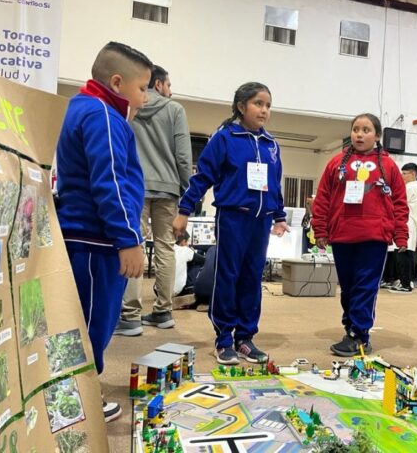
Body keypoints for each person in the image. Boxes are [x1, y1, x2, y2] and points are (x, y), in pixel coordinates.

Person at [55, 41, 152, 422]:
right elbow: (110, 182)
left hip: (89, 236)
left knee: (85, 317)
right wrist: (127, 239)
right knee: (94, 320)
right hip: (97, 240)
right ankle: (81, 395)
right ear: (117, 82)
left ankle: (77, 388)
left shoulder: (84, 106)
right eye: (143, 88)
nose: (146, 97)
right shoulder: (103, 116)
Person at [172, 82, 289, 366]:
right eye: (258, 104)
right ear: (241, 106)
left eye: (268, 105)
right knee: (229, 276)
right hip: (233, 217)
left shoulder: (271, 144)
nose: (264, 110)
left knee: (252, 278)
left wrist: (280, 215)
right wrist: (184, 209)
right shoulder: (224, 138)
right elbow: (203, 177)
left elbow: (274, 184)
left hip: (260, 222)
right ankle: (224, 338)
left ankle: (245, 338)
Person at [311, 113, 409, 357]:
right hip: (342, 234)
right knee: (348, 287)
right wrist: (320, 229)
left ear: (377, 135)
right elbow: (322, 198)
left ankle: (359, 334)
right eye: (356, 129)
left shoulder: (389, 166)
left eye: (366, 130)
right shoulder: (336, 163)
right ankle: (351, 327)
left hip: (374, 236)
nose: (360, 134)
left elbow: (399, 201)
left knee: (365, 286)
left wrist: (401, 235)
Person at [114, 65, 192, 337]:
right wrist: (185, 189)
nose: (171, 92)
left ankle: (130, 316)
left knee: (133, 244)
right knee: (165, 247)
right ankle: (163, 311)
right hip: (168, 188)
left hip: (134, 186)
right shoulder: (175, 110)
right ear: (158, 84)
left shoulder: (129, 106)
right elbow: (183, 156)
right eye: (169, 85)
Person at [391, 163, 417, 293]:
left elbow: (397, 203)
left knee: (403, 253)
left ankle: (405, 284)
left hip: (406, 221)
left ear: (413, 174)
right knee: (409, 253)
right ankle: (407, 282)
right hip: (411, 222)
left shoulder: (410, 187)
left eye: (404, 173)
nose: (402, 176)